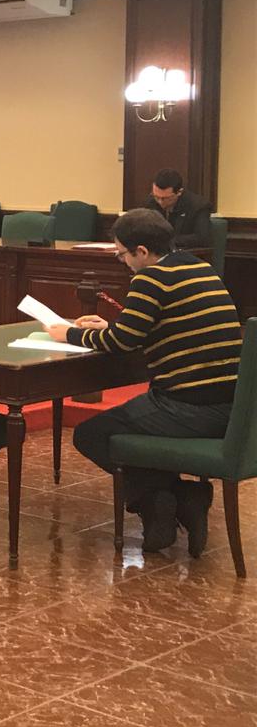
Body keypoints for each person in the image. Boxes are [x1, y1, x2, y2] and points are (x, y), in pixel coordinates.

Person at [47, 208, 241, 555]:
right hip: (230, 408)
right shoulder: (199, 267)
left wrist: (69, 334)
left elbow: (122, 342)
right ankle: (182, 499)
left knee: (90, 434)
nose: (122, 262)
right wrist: (112, 327)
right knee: (124, 428)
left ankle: (163, 500)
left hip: (187, 407)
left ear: (142, 251)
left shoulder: (150, 279)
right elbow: (149, 326)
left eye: (122, 254)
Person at [144, 168, 212, 249]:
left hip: (186, 252)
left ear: (179, 192)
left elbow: (202, 238)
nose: (160, 202)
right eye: (156, 197)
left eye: (165, 198)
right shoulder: (151, 202)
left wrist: (169, 241)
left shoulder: (199, 206)